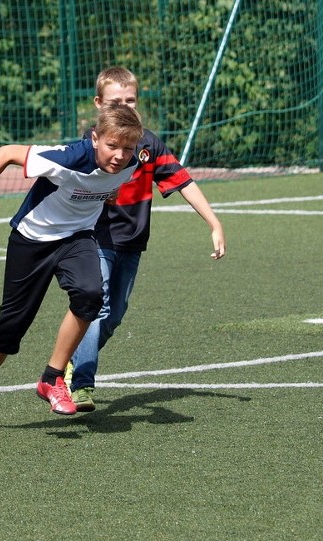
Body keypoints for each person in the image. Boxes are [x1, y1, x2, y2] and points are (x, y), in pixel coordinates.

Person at [0, 104, 144, 432]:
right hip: (32, 239)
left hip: (78, 238)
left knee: (90, 295)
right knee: (12, 325)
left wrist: (107, 195)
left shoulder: (135, 160)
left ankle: (52, 377)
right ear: (95, 138)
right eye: (112, 146)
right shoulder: (68, 158)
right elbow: (6, 153)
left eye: (127, 149)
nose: (119, 155)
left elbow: (110, 185)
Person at [68, 67, 226, 412]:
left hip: (133, 243)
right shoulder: (91, 143)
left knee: (114, 316)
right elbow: (65, 182)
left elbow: (182, 180)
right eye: (115, 102)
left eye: (131, 101)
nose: (125, 108)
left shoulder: (149, 144)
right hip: (96, 239)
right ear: (98, 105)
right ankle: (80, 384)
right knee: (99, 306)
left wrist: (214, 222)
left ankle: (72, 358)